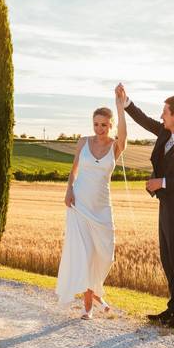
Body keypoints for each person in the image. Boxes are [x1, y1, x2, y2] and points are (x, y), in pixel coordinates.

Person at [117, 83, 174, 328]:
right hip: (165, 206)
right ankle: (173, 307)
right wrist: (126, 103)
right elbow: (145, 121)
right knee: (167, 258)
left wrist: (162, 182)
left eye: (165, 112)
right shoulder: (166, 133)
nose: (161, 116)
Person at [54, 86, 128, 319]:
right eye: (96, 124)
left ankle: (96, 293)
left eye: (104, 125)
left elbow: (124, 134)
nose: (99, 129)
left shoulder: (115, 146)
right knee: (85, 255)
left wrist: (120, 105)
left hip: (101, 208)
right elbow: (74, 170)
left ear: (111, 126)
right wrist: (68, 190)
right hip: (79, 205)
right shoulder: (83, 142)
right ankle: (88, 307)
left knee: (105, 255)